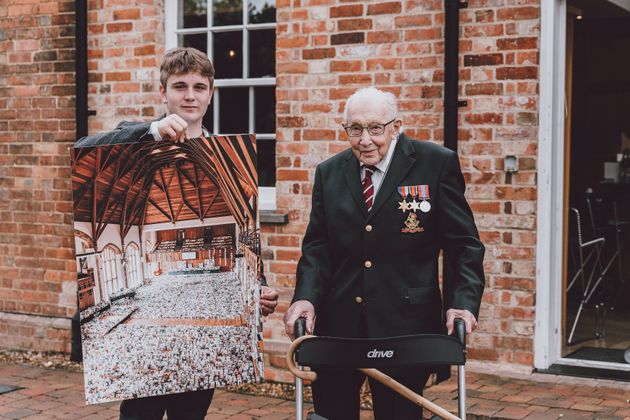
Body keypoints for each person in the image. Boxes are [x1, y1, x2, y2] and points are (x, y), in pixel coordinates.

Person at [76, 47, 279, 420]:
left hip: (198, 334)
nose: (190, 95)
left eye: (199, 87)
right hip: (149, 339)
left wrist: (259, 286)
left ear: (211, 93)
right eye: (180, 86)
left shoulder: (230, 159)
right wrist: (150, 132)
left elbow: (244, 234)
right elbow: (82, 151)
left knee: (192, 414)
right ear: (162, 92)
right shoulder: (134, 138)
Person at [283, 87, 485, 420]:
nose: (365, 140)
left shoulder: (436, 164)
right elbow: (317, 248)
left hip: (405, 327)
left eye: (376, 128)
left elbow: (464, 245)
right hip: (338, 328)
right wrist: (305, 298)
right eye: (355, 129)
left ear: (396, 127)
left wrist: (463, 303)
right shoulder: (329, 173)